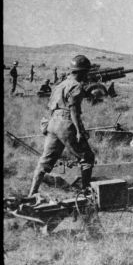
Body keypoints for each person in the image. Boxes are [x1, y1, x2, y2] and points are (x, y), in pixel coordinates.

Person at [28, 55, 96, 196]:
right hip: (66, 125)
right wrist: (79, 131)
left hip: (53, 123)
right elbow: (74, 111)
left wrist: (50, 124)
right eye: (86, 72)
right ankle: (85, 192)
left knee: (44, 162)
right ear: (81, 72)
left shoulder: (60, 85)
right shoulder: (77, 86)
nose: (87, 75)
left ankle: (31, 193)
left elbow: (51, 107)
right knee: (87, 158)